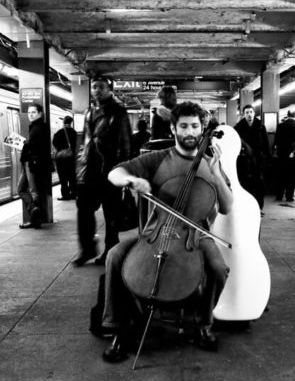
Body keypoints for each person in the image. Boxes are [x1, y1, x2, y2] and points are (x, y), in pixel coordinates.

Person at [101, 101, 233, 363]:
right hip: (155, 232)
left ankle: (202, 324)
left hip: (196, 236)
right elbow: (114, 173)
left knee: (219, 268)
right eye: (183, 126)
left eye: (195, 126)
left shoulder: (210, 163)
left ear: (201, 128)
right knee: (115, 256)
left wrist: (217, 172)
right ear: (173, 128)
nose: (189, 132)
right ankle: (119, 330)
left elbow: (228, 207)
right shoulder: (158, 158)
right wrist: (130, 180)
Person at [71, 74, 132, 267]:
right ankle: (87, 249)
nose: (97, 90)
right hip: (89, 171)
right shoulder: (89, 112)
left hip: (109, 170)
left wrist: (122, 171)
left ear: (110, 90)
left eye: (101, 87)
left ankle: (110, 251)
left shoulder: (118, 112)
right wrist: (79, 167)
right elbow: (84, 142)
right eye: (95, 86)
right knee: (84, 211)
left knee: (111, 214)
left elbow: (125, 144)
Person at [18, 103, 51, 229]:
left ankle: (35, 219)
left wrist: (25, 145)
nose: (30, 114)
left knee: (33, 191)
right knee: (20, 189)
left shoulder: (40, 127)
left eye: (33, 112)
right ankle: (34, 209)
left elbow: (37, 147)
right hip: (27, 162)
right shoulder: (34, 127)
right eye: (29, 112)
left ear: (40, 113)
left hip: (32, 164)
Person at [234, 104, 271, 212]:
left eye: (251, 112)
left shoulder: (260, 126)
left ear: (254, 113)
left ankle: (259, 207)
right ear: (243, 115)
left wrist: (268, 159)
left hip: (258, 161)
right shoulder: (238, 128)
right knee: (245, 184)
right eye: (247, 112)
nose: (249, 114)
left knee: (258, 184)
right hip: (244, 161)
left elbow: (266, 144)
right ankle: (246, 207)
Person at [273, 110, 295, 202]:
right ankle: (289, 196)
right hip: (293, 157)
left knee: (281, 176)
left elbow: (276, 140)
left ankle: (279, 196)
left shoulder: (281, 126)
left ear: (287, 115)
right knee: (292, 177)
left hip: (282, 156)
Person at [52, 116, 77, 200]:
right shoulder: (74, 132)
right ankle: (73, 194)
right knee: (72, 176)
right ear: (71, 123)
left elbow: (54, 143)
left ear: (63, 122)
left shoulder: (59, 132)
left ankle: (65, 195)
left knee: (63, 177)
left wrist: (60, 149)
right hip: (71, 157)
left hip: (61, 158)